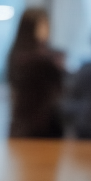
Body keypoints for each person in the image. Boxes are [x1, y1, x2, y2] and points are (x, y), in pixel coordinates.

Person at [7, 7, 66, 138]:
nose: (46, 28)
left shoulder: (49, 54)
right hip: (28, 120)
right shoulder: (22, 56)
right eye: (42, 24)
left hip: (50, 118)